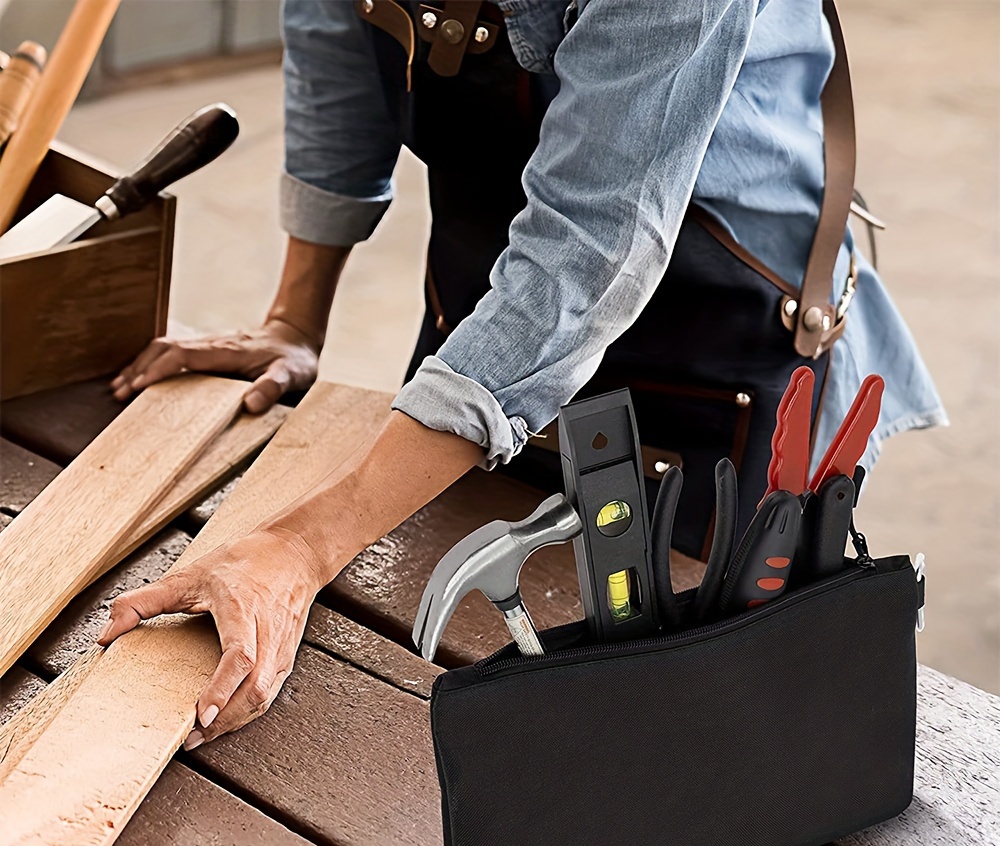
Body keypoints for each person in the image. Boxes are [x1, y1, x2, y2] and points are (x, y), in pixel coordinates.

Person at [99, 0, 945, 748]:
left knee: (679, 740)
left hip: (715, 321)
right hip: (492, 311)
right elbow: (336, 27)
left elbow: (592, 246)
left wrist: (301, 544)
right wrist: (295, 319)